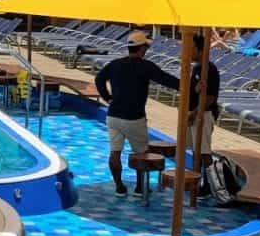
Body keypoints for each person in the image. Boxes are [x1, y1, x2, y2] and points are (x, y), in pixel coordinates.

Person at [94, 31, 180, 196]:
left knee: (115, 152)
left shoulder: (114, 64)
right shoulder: (146, 66)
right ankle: (140, 188)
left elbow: (99, 79)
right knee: (142, 153)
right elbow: (166, 80)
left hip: (113, 116)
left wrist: (107, 98)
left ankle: (119, 187)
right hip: (135, 118)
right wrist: (189, 87)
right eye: (146, 47)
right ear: (142, 49)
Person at [188, 34, 220, 172]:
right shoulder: (197, 68)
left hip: (203, 115)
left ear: (201, 50)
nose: (188, 51)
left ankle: (211, 185)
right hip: (195, 114)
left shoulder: (209, 70)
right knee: (197, 151)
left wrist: (194, 114)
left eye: (192, 48)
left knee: (204, 153)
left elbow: (210, 98)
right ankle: (199, 182)